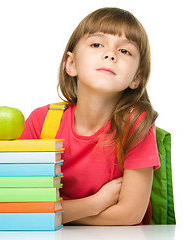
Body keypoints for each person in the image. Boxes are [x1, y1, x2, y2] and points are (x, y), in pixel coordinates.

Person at [19, 7, 160, 225]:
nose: (110, 54)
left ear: (137, 77)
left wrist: (54, 214)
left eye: (125, 51)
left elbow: (130, 214)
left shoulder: (136, 124)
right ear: (71, 63)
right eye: (97, 44)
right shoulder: (41, 121)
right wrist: (95, 203)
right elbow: (22, 205)